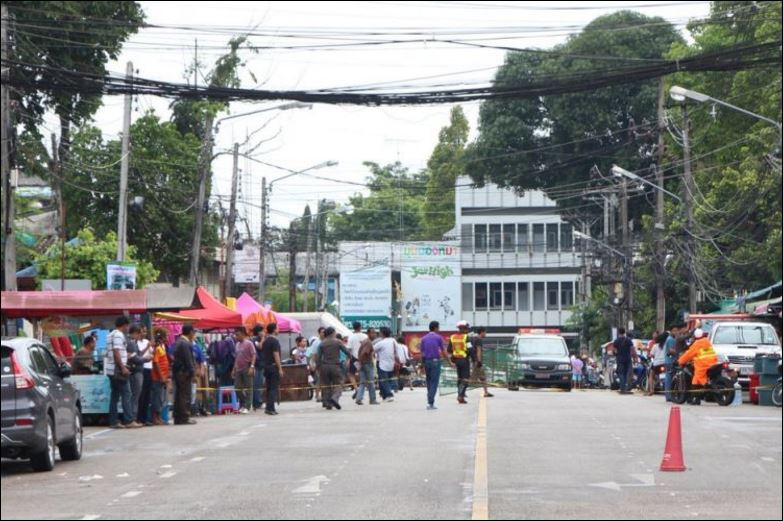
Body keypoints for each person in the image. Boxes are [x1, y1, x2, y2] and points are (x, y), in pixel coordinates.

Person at [105, 316, 140, 429]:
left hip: (111, 369)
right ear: (124, 325)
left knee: (115, 395)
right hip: (118, 369)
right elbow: (116, 351)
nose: (128, 328)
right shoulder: (119, 335)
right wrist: (122, 367)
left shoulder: (110, 334)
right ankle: (129, 420)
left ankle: (114, 421)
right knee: (127, 393)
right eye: (127, 325)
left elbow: (116, 351)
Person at [678, 328, 718, 406]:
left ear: (695, 336)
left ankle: (697, 397)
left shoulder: (696, 344)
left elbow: (688, 354)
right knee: (698, 379)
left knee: (696, 380)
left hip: (703, 365)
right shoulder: (707, 341)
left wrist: (680, 361)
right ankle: (698, 397)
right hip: (713, 363)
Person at [315, 327, 352, 410]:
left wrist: (318, 367)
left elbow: (318, 357)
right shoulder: (337, 341)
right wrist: (349, 358)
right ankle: (335, 398)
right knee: (339, 383)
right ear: (332, 333)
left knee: (326, 385)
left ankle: (327, 403)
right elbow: (346, 351)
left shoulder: (322, 343)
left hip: (324, 366)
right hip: (335, 366)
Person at [420, 321, 453, 410]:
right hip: (435, 361)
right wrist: (450, 362)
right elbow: (444, 351)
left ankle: (430, 399)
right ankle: (430, 402)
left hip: (426, 362)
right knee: (434, 382)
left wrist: (422, 366)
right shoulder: (438, 337)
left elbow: (422, 353)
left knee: (429, 381)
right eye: (438, 327)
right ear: (435, 328)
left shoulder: (423, 338)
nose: (439, 329)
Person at [172, 325, 197, 425]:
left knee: (179, 395)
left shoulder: (178, 342)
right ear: (190, 332)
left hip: (179, 372)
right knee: (185, 395)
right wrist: (192, 372)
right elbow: (188, 359)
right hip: (184, 373)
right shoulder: (185, 343)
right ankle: (184, 417)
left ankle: (178, 417)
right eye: (193, 332)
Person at [261, 323, 284, 416]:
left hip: (266, 366)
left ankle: (268, 408)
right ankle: (271, 408)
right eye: (277, 328)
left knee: (269, 387)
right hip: (273, 366)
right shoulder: (274, 341)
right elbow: (276, 355)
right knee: (273, 388)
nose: (278, 330)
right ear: (274, 330)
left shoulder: (265, 341)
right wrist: (280, 368)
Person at [232, 327, 256, 415]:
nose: (236, 337)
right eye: (235, 335)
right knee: (237, 387)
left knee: (249, 387)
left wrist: (252, 367)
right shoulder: (237, 344)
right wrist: (234, 369)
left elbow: (254, 355)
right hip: (238, 368)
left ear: (242, 334)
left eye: (237, 335)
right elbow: (236, 358)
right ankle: (243, 403)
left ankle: (247, 406)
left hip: (247, 367)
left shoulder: (249, 343)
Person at [125, 324, 145, 425]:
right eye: (139, 333)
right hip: (135, 372)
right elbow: (135, 358)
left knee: (135, 396)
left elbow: (137, 355)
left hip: (136, 371)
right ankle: (132, 418)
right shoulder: (131, 343)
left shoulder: (133, 343)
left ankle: (133, 418)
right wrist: (146, 359)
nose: (140, 335)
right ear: (135, 333)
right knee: (135, 396)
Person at [374, 327, 400, 402]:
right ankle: (384, 395)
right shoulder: (393, 340)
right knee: (388, 380)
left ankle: (389, 395)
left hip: (382, 364)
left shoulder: (381, 343)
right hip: (392, 363)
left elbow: (372, 349)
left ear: (382, 333)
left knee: (383, 380)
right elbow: (396, 352)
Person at [449, 320, 472, 404]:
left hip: (456, 360)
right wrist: (475, 359)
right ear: (463, 328)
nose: (468, 330)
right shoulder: (466, 337)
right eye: (467, 328)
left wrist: (455, 353)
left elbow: (449, 349)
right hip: (464, 360)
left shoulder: (452, 337)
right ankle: (460, 396)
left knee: (459, 378)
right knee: (465, 379)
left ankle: (460, 395)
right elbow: (470, 350)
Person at [150, 330, 171, 426]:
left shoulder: (163, 347)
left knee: (160, 398)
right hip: (158, 377)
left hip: (163, 376)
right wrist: (162, 376)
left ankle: (158, 418)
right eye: (166, 336)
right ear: (162, 337)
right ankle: (155, 418)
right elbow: (156, 362)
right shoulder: (157, 348)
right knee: (157, 398)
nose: (168, 337)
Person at [135, 326, 154, 426]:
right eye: (143, 331)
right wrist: (147, 347)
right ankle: (138, 418)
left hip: (149, 368)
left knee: (147, 395)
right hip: (142, 368)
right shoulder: (136, 343)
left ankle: (144, 418)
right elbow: (139, 355)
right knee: (141, 395)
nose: (145, 333)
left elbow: (151, 353)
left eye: (146, 331)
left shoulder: (147, 341)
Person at [355, 330, 379, 405]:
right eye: (373, 333)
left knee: (362, 382)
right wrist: (362, 362)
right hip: (367, 364)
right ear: (368, 334)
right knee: (371, 382)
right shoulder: (368, 342)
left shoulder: (365, 341)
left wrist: (360, 363)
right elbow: (364, 353)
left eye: (375, 333)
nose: (374, 334)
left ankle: (359, 398)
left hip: (362, 363)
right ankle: (372, 399)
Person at [470, 327, 493, 398]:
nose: (486, 334)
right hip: (477, 361)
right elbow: (478, 350)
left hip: (474, 360)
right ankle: (462, 391)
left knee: (483, 377)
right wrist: (479, 361)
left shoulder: (474, 339)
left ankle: (486, 392)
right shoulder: (479, 339)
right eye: (485, 332)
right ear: (482, 332)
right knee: (472, 380)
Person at [613, 328, 635, 394]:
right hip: (628, 359)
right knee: (625, 373)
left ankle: (622, 387)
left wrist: (616, 353)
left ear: (619, 333)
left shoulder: (616, 341)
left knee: (620, 373)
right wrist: (634, 357)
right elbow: (632, 349)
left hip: (620, 359)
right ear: (624, 332)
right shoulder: (628, 340)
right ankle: (624, 387)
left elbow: (615, 351)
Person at [648, 331, 668, 396]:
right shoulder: (666, 346)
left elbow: (651, 355)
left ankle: (651, 390)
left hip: (656, 364)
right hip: (665, 363)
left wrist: (651, 356)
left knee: (651, 376)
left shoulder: (655, 346)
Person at [251, 324, 266, 411]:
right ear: (258, 332)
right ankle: (257, 403)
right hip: (257, 365)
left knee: (259, 384)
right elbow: (260, 346)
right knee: (257, 385)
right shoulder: (254, 340)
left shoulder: (259, 339)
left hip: (261, 365)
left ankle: (257, 402)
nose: (264, 332)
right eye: (262, 331)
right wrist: (263, 338)